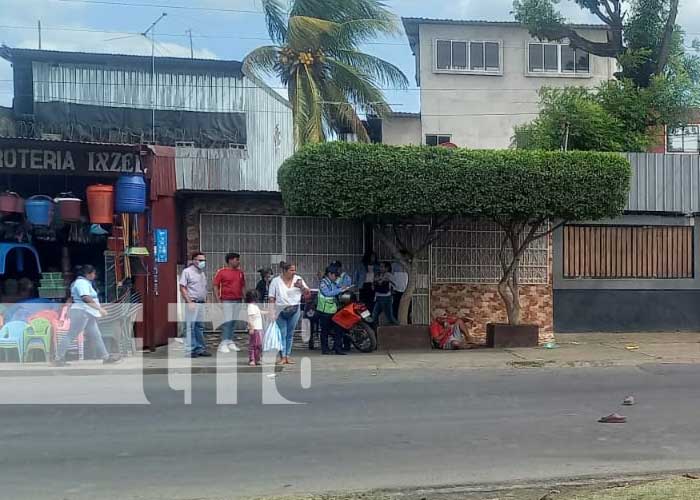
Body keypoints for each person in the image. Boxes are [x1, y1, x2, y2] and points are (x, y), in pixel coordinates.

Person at [53, 265, 120, 366]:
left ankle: (105, 357)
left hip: (87, 313)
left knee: (96, 335)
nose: (94, 275)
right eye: (93, 273)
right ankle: (58, 358)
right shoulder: (81, 283)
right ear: (87, 274)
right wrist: (100, 309)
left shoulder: (81, 283)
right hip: (82, 312)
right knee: (71, 335)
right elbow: (85, 297)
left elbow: (73, 298)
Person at [268, 261, 310, 365]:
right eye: (291, 270)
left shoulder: (298, 279)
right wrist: (272, 311)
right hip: (280, 309)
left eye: (294, 270)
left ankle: (287, 355)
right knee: (282, 333)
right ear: (284, 271)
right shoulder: (275, 281)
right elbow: (271, 298)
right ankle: (282, 356)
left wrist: (301, 287)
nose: (294, 272)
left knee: (290, 334)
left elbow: (307, 294)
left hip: (295, 309)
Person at [179, 252, 212, 358]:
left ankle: (200, 348)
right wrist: (189, 301)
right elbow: (182, 288)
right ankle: (190, 349)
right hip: (192, 302)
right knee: (190, 327)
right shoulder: (187, 272)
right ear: (194, 260)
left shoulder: (202, 273)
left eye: (204, 260)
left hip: (201, 303)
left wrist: (207, 301)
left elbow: (204, 288)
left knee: (199, 327)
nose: (202, 262)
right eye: (200, 260)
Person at [212, 252, 245, 354]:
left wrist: (244, 299)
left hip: (238, 299)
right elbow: (215, 286)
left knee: (233, 322)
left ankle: (230, 341)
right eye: (236, 259)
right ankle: (223, 343)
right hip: (226, 300)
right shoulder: (222, 272)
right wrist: (218, 300)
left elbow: (243, 286)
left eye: (238, 259)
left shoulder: (240, 273)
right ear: (230, 260)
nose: (238, 261)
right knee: (227, 322)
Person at [317, 265, 347, 355]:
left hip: (333, 310)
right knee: (325, 331)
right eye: (335, 275)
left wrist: (343, 288)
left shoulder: (332, 282)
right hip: (324, 311)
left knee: (339, 329)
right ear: (330, 274)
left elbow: (337, 288)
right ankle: (325, 349)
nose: (336, 278)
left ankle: (338, 348)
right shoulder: (323, 283)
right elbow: (327, 293)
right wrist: (339, 290)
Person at [372, 261, 398, 325]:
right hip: (378, 297)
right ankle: (375, 331)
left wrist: (387, 280)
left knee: (390, 317)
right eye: (380, 267)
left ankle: (399, 328)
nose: (380, 268)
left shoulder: (389, 275)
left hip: (386, 298)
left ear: (387, 268)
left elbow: (396, 284)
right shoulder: (378, 274)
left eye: (382, 267)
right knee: (374, 316)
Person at [245, 290, 264, 366]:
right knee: (254, 345)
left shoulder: (254, 306)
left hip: (259, 328)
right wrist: (251, 328)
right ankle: (253, 359)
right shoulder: (251, 307)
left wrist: (268, 312)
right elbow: (250, 318)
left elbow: (259, 312)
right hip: (255, 328)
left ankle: (257, 358)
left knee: (258, 345)